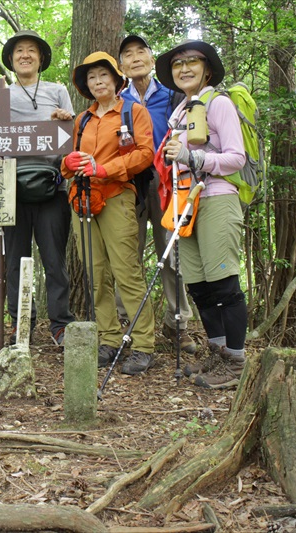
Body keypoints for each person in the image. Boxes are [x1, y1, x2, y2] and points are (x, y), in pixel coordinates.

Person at [156, 40, 247, 388]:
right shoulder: (180, 110)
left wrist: (196, 159)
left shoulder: (218, 103)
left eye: (192, 62)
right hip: (185, 204)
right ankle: (218, 352)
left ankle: (236, 361)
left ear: (207, 69)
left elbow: (235, 158)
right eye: (178, 65)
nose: (184, 69)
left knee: (224, 283)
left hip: (216, 198)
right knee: (199, 286)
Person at [61, 52, 156, 374]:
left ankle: (143, 344)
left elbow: (145, 154)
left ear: (117, 80)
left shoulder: (133, 111)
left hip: (116, 196)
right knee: (96, 274)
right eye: (92, 77)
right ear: (86, 85)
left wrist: (104, 168)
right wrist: (67, 165)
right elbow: (70, 160)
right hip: (83, 200)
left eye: (103, 75)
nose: (98, 81)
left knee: (126, 271)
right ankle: (109, 339)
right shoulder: (82, 119)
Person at [115, 35, 196, 355]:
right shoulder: (118, 101)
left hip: (168, 183)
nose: (135, 59)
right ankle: (129, 321)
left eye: (140, 53)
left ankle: (177, 324)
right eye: (128, 55)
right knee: (126, 257)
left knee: (173, 255)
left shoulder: (174, 96)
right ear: (121, 66)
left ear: (151, 59)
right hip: (129, 185)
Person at [1, 30, 76, 346]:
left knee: (54, 259)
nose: (25, 55)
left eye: (31, 50)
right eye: (19, 51)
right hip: (10, 187)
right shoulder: (1, 94)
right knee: (14, 262)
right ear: (12, 59)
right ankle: (21, 325)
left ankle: (60, 325)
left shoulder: (57, 90)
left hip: (52, 186)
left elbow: (72, 134)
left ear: (41, 58)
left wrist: (65, 119)